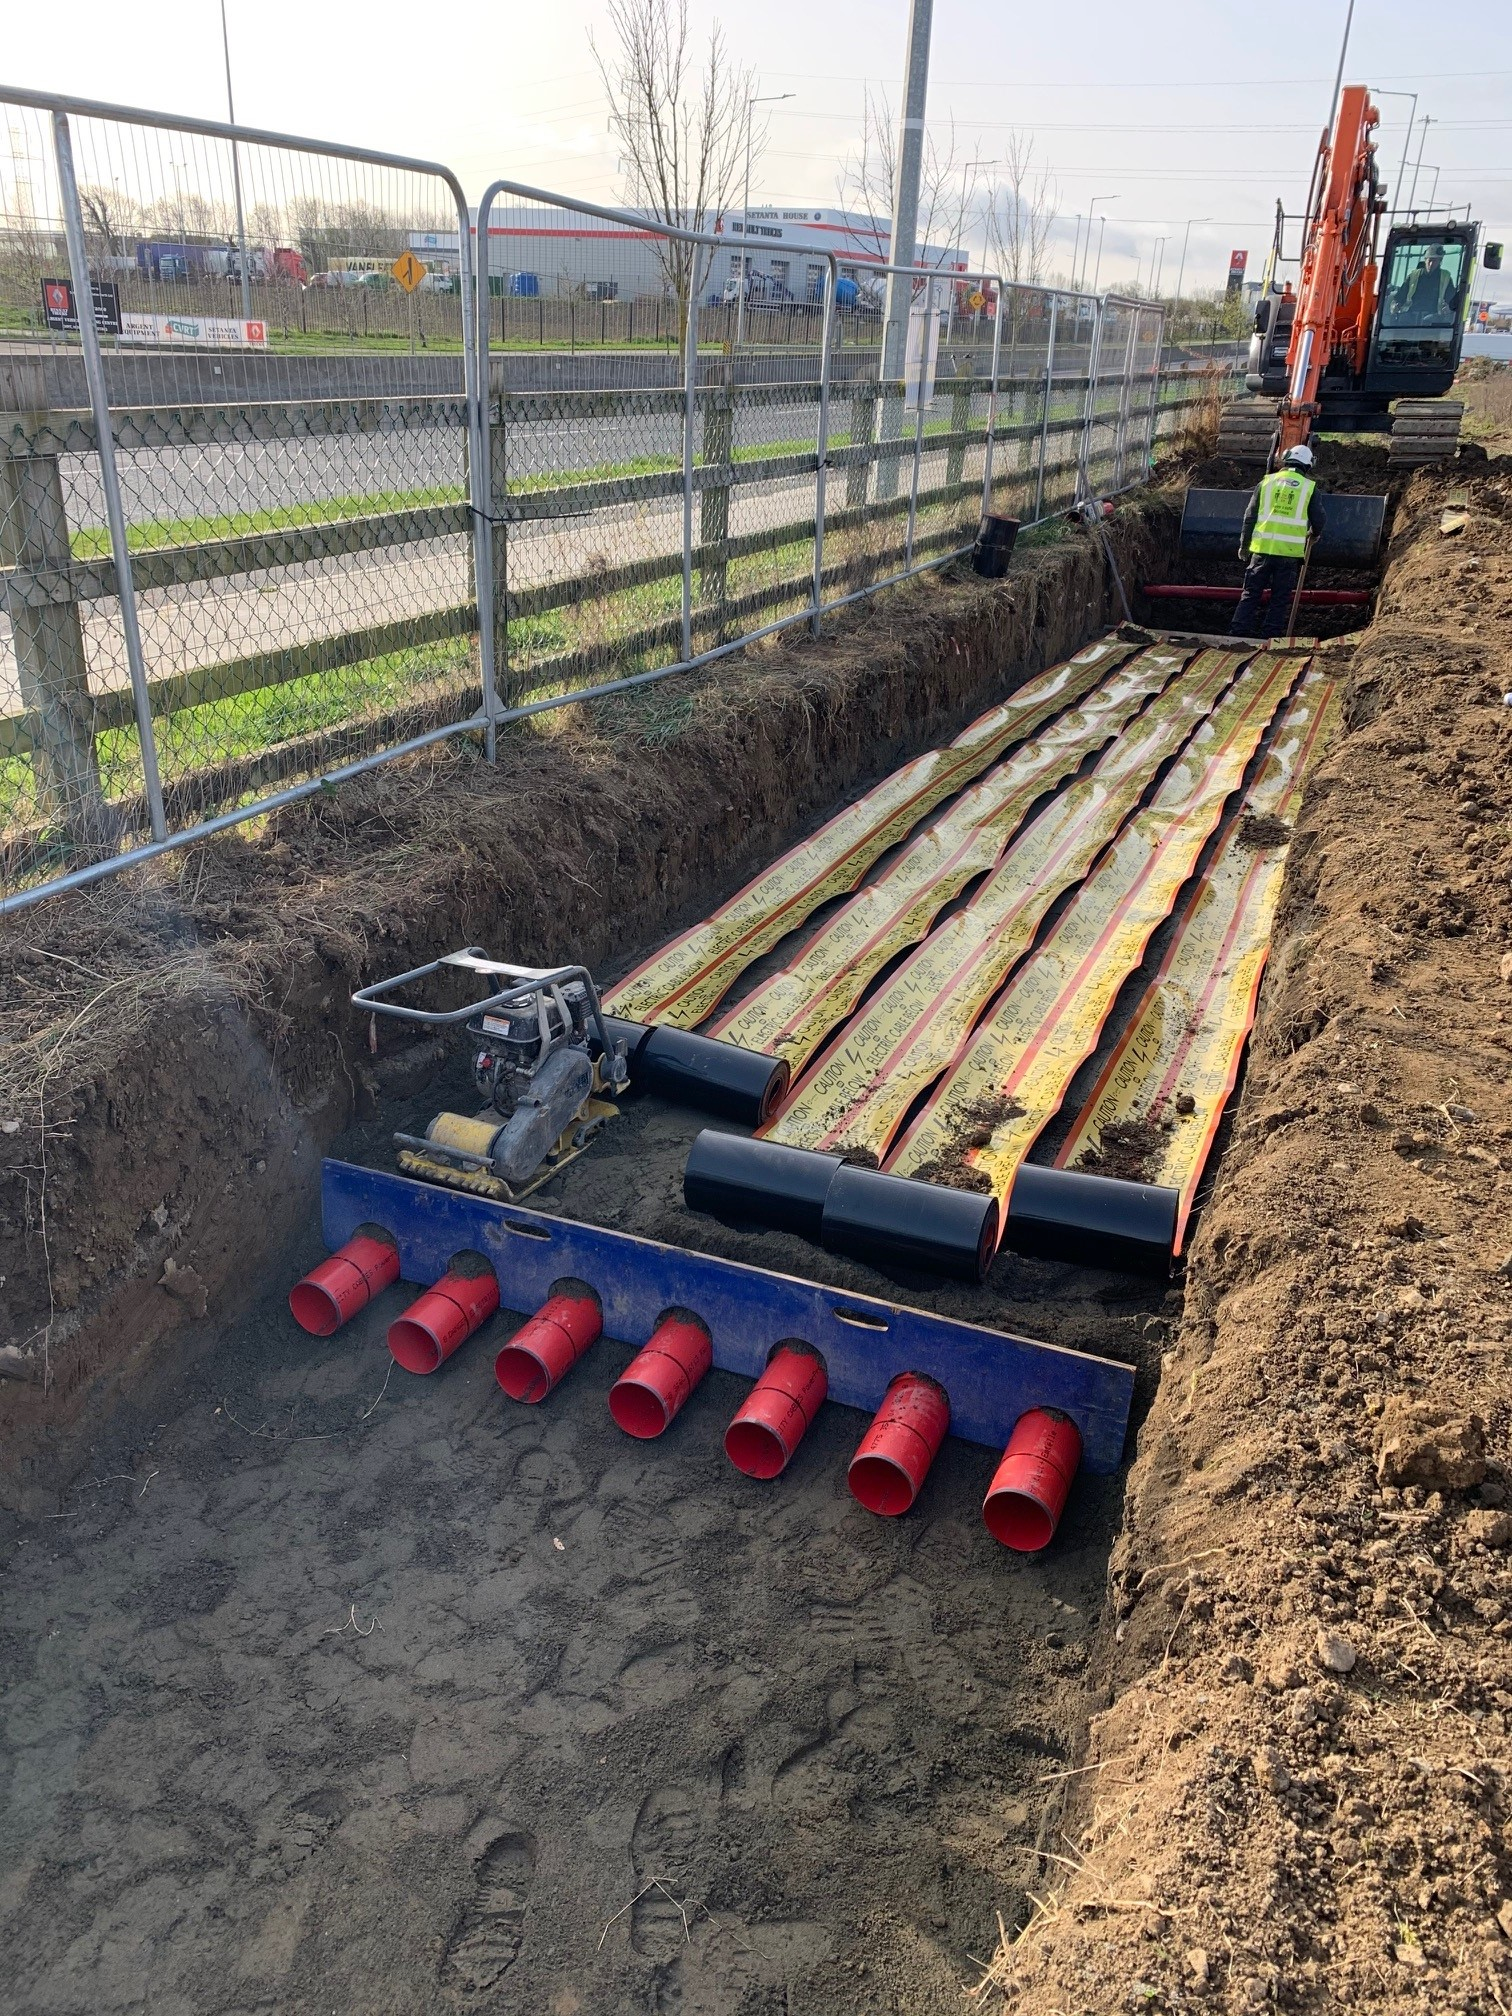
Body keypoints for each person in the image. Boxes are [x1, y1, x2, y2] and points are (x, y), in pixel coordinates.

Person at [1229, 444, 1327, 639]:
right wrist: (1315, 533)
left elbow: (1250, 516)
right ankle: (1271, 637)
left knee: (1250, 593)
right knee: (1280, 599)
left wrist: (1244, 544)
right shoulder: (1309, 488)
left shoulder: (1266, 483)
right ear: (1307, 465)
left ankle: (1237, 633)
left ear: (1286, 459)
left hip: (1261, 551)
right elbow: (1319, 518)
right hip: (1289, 554)